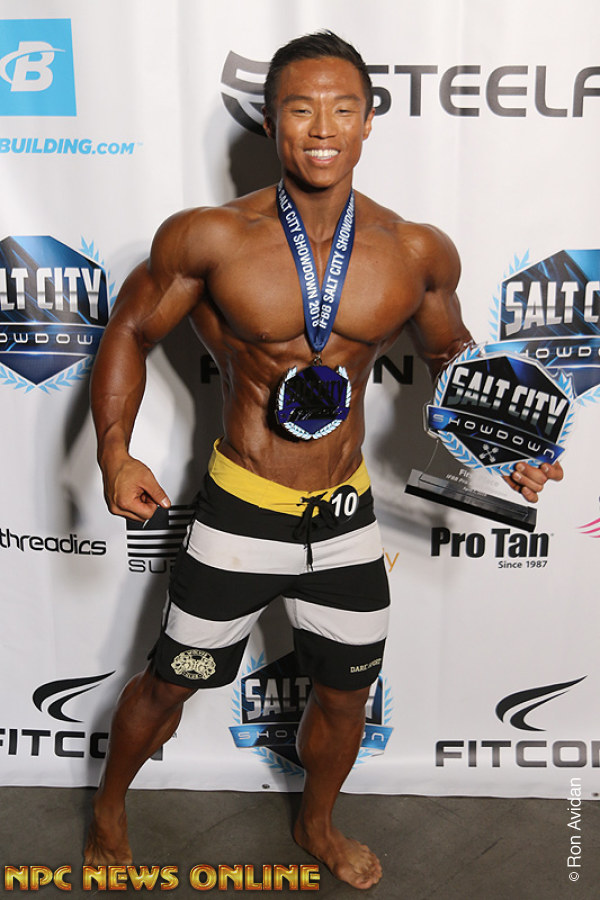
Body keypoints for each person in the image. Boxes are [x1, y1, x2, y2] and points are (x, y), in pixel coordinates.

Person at [85, 31, 563, 890]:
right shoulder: (211, 237)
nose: (322, 127)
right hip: (241, 514)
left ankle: (317, 822)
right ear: (272, 120)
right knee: (168, 684)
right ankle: (110, 809)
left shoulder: (415, 250)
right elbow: (129, 329)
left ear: (369, 120)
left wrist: (510, 443)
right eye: (301, 108)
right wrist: (115, 454)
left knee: (346, 697)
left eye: (343, 108)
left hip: (345, 517)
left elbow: (452, 354)